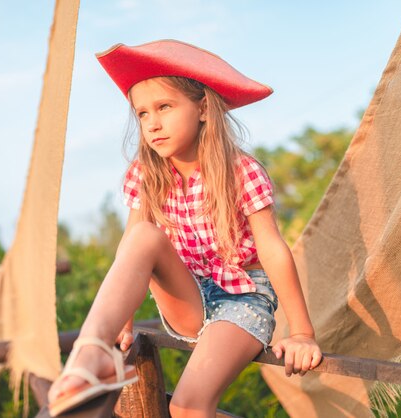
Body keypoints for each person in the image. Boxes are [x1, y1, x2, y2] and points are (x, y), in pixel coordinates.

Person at [48, 40, 322, 417]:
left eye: (164, 107)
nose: (152, 123)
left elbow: (273, 250)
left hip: (242, 300)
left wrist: (302, 333)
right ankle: (91, 356)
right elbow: (132, 252)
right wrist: (122, 324)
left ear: (203, 107)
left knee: (187, 407)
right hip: (188, 295)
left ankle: (101, 363)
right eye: (142, 113)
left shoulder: (242, 172)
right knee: (143, 234)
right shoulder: (146, 176)